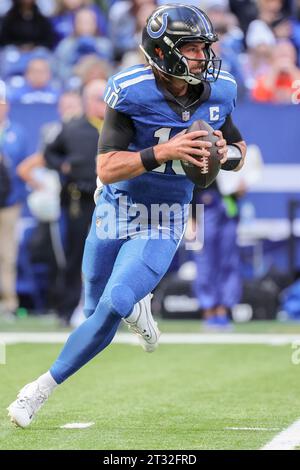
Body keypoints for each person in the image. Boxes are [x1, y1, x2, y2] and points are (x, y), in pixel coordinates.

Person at [8, 4, 246, 428]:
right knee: (93, 307)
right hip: (116, 207)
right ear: (163, 52)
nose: (202, 56)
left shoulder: (221, 90)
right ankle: (141, 309)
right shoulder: (131, 89)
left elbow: (238, 147)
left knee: (115, 301)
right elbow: (106, 166)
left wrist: (222, 156)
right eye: (191, 48)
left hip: (166, 213)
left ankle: (38, 390)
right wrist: (164, 151)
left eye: (204, 46)